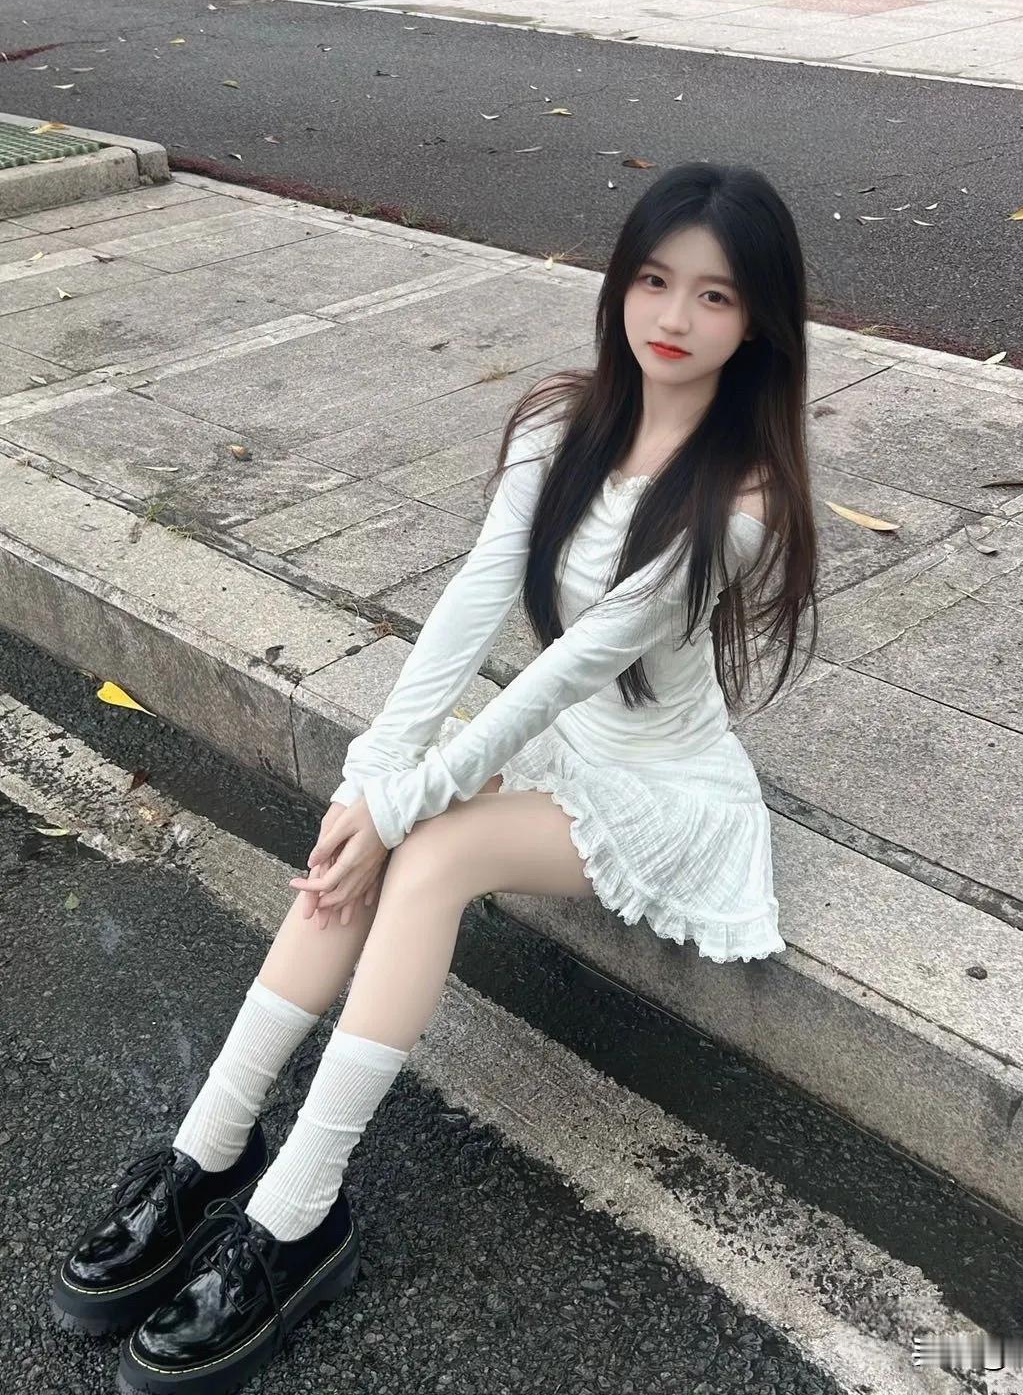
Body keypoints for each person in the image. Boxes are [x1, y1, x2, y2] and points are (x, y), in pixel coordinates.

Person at [51, 160, 820, 1394]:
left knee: (431, 852)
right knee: (368, 836)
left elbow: (570, 667)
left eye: (715, 296)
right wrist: (371, 775)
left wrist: (406, 803)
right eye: (653, 280)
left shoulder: (741, 502)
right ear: (620, 283)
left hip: (662, 789)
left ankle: (298, 1216)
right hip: (557, 748)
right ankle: (209, 1147)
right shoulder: (561, 420)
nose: (674, 318)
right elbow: (473, 601)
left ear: (760, 322)